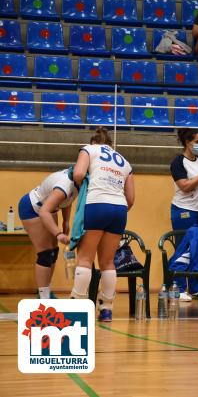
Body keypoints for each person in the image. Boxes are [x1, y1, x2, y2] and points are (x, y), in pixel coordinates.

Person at [70, 128, 134, 323]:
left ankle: (76, 306)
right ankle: (106, 309)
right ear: (110, 145)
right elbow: (131, 198)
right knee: (107, 262)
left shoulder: (89, 149)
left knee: (85, 259)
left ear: (94, 141)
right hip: (120, 208)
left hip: (97, 202)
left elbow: (78, 173)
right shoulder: (125, 161)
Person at [18, 168, 78, 299]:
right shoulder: (64, 184)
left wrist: (66, 221)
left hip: (49, 209)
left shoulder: (78, 180)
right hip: (33, 208)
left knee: (53, 252)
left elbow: (68, 199)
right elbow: (44, 211)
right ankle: (43, 297)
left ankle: (46, 291)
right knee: (45, 254)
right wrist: (58, 234)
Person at [170, 128, 198, 302]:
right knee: (184, 246)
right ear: (188, 142)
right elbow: (185, 186)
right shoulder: (178, 162)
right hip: (184, 209)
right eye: (197, 141)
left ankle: (196, 288)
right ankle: (178, 287)